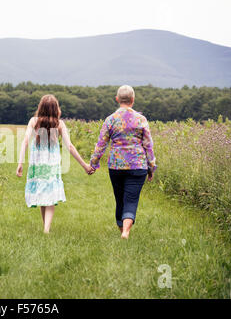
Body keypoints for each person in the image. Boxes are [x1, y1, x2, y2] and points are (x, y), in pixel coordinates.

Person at [16, 94, 94, 233]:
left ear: (41, 108)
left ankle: (45, 228)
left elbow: (25, 141)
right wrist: (85, 165)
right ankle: (46, 229)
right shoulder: (59, 124)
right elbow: (69, 146)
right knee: (50, 196)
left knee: (42, 193)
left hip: (37, 165)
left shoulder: (34, 121)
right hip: (52, 165)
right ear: (56, 108)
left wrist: (20, 163)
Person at [90, 85, 156, 239]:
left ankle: (123, 231)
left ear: (117, 99)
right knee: (131, 199)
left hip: (116, 166)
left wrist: (94, 163)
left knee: (120, 199)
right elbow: (148, 145)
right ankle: (126, 232)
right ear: (133, 100)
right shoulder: (141, 119)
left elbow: (101, 144)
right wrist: (151, 167)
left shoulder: (110, 120)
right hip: (138, 165)